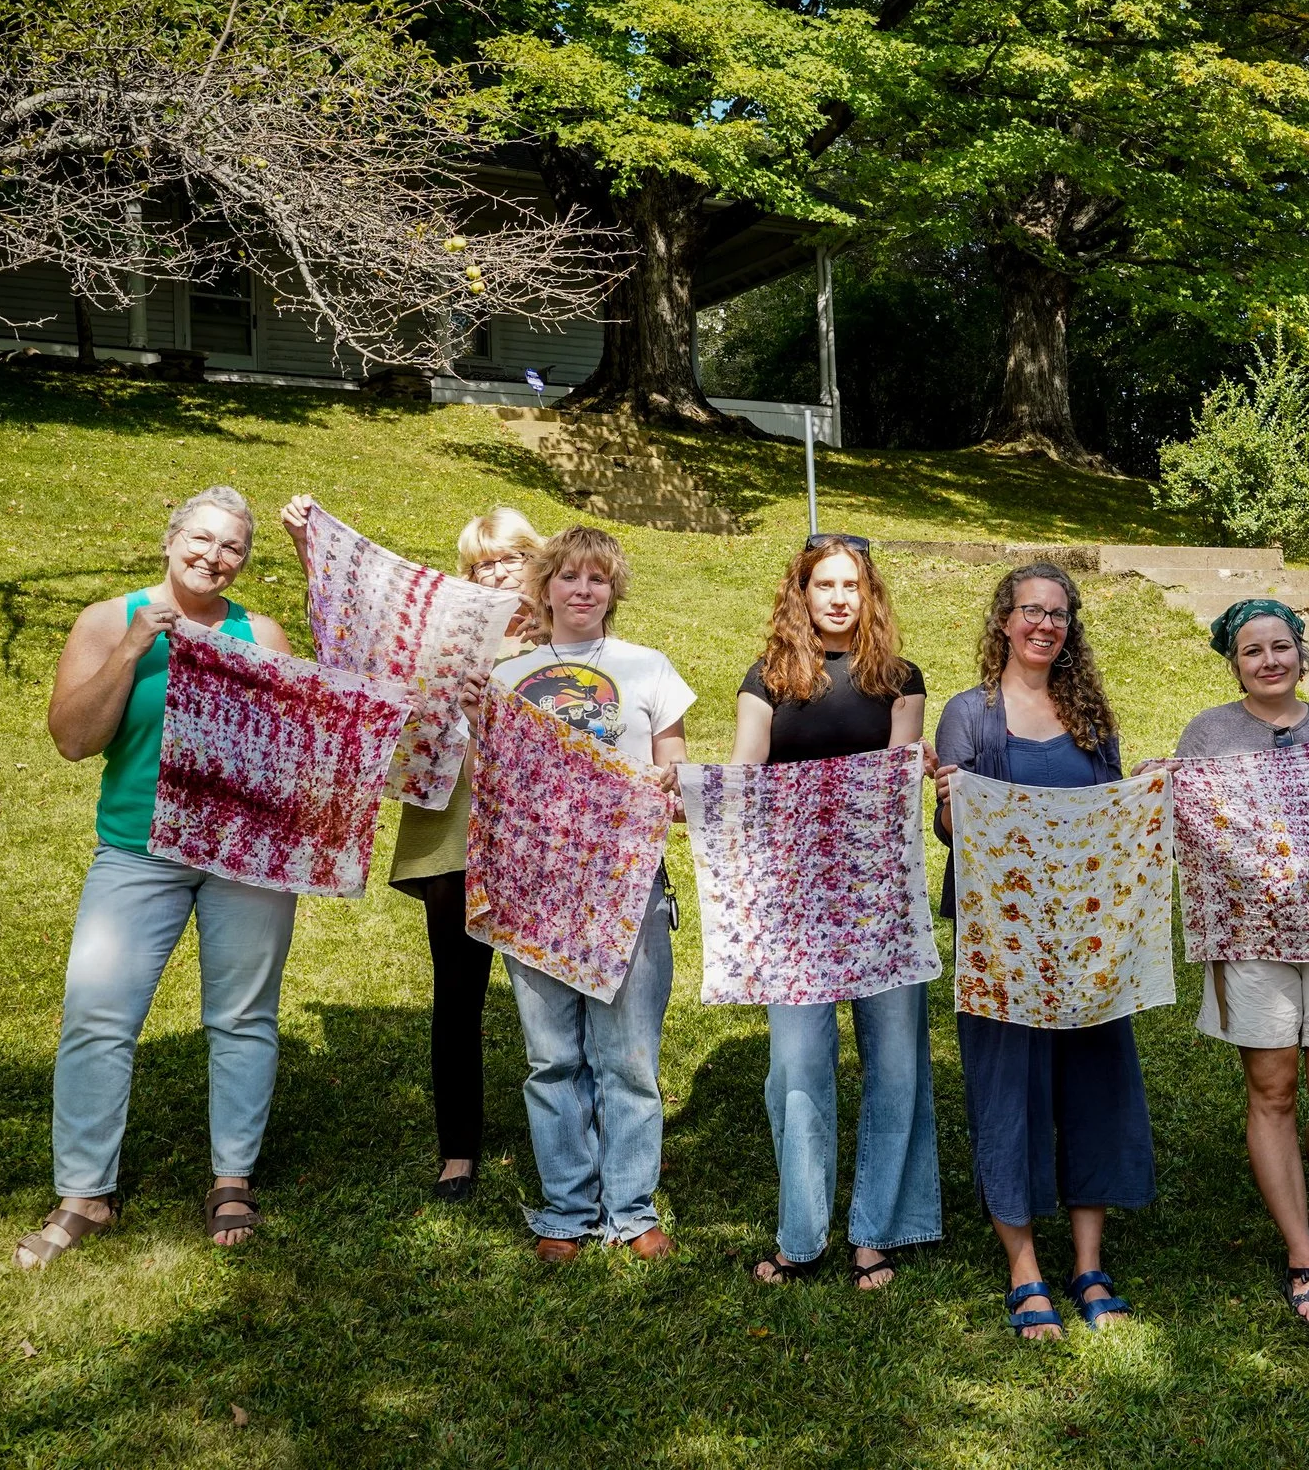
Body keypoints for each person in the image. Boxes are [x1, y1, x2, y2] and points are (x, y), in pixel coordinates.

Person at [19, 487, 300, 1268]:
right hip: (137, 850)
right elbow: (74, 739)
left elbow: (299, 745)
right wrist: (134, 645)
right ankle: (85, 1193)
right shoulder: (111, 618)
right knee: (96, 1012)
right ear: (170, 540)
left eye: (233, 546)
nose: (214, 556)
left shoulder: (260, 632)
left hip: (242, 855)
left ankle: (231, 1178)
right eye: (201, 539)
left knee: (244, 1016)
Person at [277, 499, 545, 1204]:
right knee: (457, 996)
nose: (494, 573)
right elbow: (359, 636)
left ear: (536, 560)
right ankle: (458, 1151)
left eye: (508, 558)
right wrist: (312, 547)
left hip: (545, 845)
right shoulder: (444, 638)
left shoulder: (569, 637)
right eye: (480, 564)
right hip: (452, 835)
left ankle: (579, 1140)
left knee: (560, 1001)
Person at [934, 563, 1151, 1340]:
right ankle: (1024, 1267)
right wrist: (956, 803)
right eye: (1031, 609)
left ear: (1071, 626)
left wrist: (1151, 791)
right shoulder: (970, 715)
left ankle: (1088, 1262)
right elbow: (953, 828)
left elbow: (1120, 815)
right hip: (1001, 942)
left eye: (1058, 613)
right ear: (1004, 619)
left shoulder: (1091, 715)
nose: (1044, 624)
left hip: (1088, 941)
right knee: (1008, 1091)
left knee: (1096, 1082)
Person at [1173, 598, 1309, 1332]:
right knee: (1272, 1088)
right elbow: (1190, 828)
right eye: (1251, 651)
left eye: (1280, 646)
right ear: (1233, 662)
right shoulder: (1207, 733)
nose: (1269, 660)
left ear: (1301, 651)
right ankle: (1303, 1251)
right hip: (1251, 938)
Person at [486, 525, 692, 1262]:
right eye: (568, 577)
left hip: (626, 887)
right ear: (543, 589)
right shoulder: (506, 679)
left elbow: (674, 767)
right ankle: (565, 1212)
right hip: (534, 892)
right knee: (552, 1057)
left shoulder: (648, 669)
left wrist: (670, 788)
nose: (582, 589)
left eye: (597, 579)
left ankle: (631, 1209)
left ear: (613, 591)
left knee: (629, 1056)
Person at [738, 534, 938, 1291]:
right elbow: (745, 774)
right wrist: (686, 788)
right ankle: (800, 1234)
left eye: (851, 584)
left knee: (894, 1064)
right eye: (824, 583)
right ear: (802, 591)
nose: (838, 597)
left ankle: (877, 1232)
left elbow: (896, 774)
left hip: (882, 897)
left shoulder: (900, 680)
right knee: (796, 1064)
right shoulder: (767, 680)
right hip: (793, 905)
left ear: (868, 594)